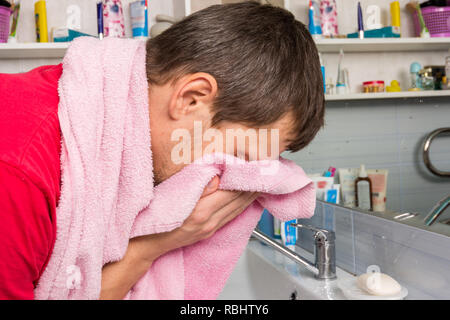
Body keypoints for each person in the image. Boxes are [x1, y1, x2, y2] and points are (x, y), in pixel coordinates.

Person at [0, 2, 324, 300]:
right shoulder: (18, 174)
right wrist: (156, 243)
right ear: (191, 99)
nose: (232, 182)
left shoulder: (96, 121)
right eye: (239, 158)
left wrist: (152, 246)